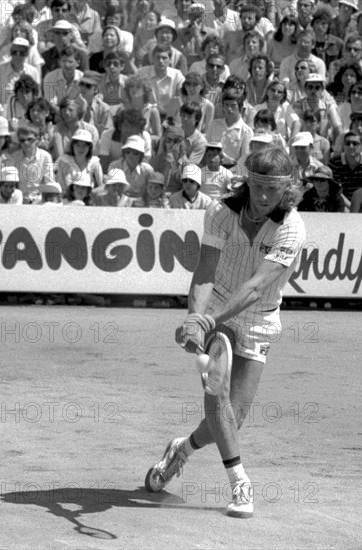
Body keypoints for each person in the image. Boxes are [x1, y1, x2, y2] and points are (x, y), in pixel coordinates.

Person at [147, 145, 306, 519]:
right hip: (218, 305)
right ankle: (240, 482)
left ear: (287, 189)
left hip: (260, 316)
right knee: (216, 395)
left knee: (233, 414)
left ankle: (181, 449)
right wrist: (194, 318)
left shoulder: (293, 227)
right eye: (259, 186)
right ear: (246, 182)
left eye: (274, 189)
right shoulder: (219, 212)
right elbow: (205, 270)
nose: (265, 197)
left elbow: (254, 287)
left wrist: (208, 321)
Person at [207, 88, 254, 172]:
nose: (229, 108)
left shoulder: (246, 132)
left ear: (239, 106)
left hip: (233, 171)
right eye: (226, 105)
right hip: (211, 168)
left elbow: (244, 161)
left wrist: (226, 173)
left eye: (233, 105)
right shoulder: (214, 125)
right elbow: (206, 150)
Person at [7, 122, 55, 203]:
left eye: (30, 139)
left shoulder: (46, 157)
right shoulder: (13, 158)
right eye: (22, 140)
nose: (26, 143)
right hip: (18, 200)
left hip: (39, 200)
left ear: (37, 139)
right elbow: (10, 185)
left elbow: (49, 184)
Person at [0, 37, 40, 107]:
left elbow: (37, 97)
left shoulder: (33, 72)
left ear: (27, 54)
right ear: (10, 53)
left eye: (22, 53)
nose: (17, 55)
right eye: (14, 52)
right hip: (3, 112)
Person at [329, 130, 362, 209]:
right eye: (347, 143)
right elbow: (336, 190)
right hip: (343, 205)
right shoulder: (334, 163)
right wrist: (351, 207)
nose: (351, 146)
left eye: (355, 143)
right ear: (343, 146)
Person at [56, 128, 103, 192]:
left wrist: (87, 195)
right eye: (78, 145)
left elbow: (102, 186)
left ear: (89, 147)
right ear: (72, 146)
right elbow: (60, 186)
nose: (81, 148)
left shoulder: (94, 162)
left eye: (84, 145)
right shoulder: (64, 161)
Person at [78, 70, 113, 138]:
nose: (83, 88)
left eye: (88, 85)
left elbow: (107, 134)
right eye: (81, 84)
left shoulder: (103, 108)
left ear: (96, 89)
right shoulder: (71, 105)